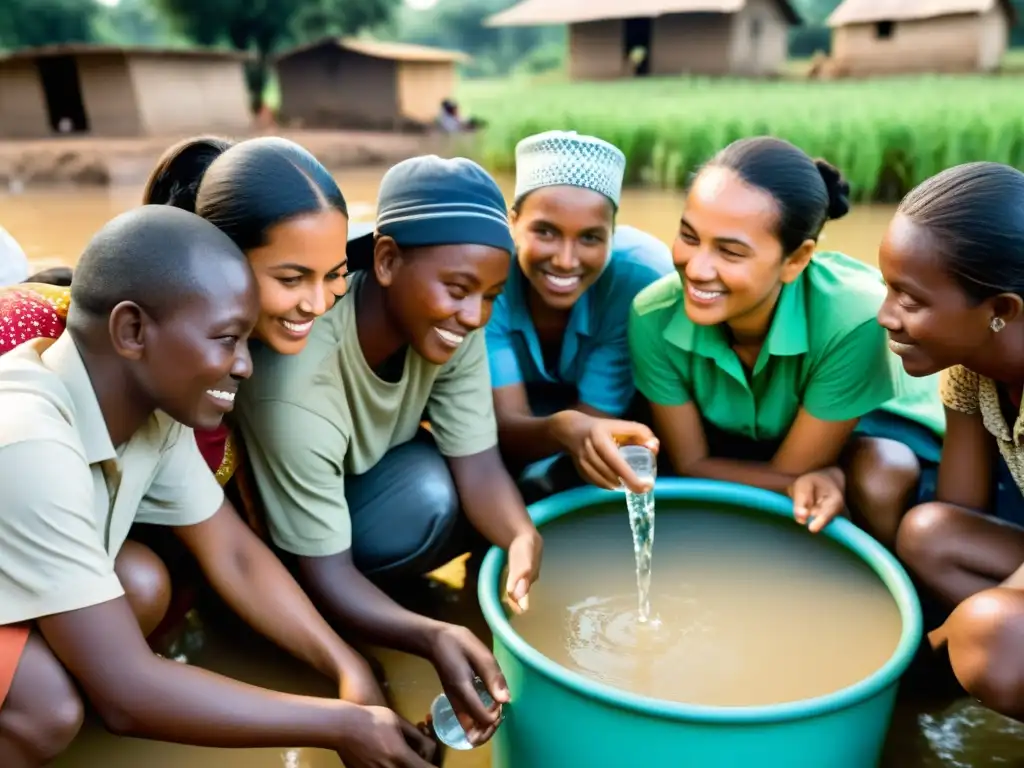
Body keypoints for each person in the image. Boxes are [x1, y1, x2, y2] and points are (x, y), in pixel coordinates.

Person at [0, 206, 436, 768]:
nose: (246, 366)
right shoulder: (29, 438)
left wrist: (346, 666)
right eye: (227, 339)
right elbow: (127, 698)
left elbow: (233, 554)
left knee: (137, 584)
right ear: (132, 330)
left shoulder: (149, 412)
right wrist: (342, 724)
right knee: (47, 704)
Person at [235, 155, 544, 747]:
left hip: (371, 487)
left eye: (491, 297)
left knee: (468, 486)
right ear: (386, 260)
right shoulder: (297, 383)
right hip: (298, 553)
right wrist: (430, 636)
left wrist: (520, 535)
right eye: (457, 290)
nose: (474, 315)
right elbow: (324, 573)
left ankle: (394, 610)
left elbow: (478, 464)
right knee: (429, 495)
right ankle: (366, 624)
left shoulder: (455, 326)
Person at [628, 136, 945, 546]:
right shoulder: (653, 315)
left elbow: (793, 475)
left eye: (730, 252)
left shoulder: (854, 319)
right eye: (689, 237)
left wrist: (828, 475)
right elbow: (691, 461)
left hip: (873, 432)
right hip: (761, 441)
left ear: (795, 260)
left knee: (882, 474)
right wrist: (806, 478)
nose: (697, 268)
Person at [876, 162, 1024, 720]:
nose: (884, 315)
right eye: (887, 287)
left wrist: (932, 648)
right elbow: (960, 510)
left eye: (909, 299)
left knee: (995, 637)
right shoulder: (970, 368)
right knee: (928, 534)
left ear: (1000, 311)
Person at [486, 130, 673, 501]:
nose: (566, 260)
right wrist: (562, 428)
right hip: (514, 420)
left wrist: (571, 430)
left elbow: (596, 419)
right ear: (512, 222)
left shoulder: (639, 281)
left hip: (615, 409)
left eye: (590, 238)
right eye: (545, 231)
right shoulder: (488, 271)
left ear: (613, 234)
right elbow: (505, 426)